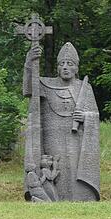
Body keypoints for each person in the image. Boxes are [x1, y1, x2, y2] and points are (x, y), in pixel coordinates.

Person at [23, 42, 100, 201]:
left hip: (76, 138)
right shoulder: (45, 84)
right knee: (55, 168)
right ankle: (51, 198)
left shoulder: (84, 88)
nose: (65, 67)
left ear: (76, 69)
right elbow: (30, 89)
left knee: (74, 167)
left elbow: (94, 114)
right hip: (52, 137)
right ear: (57, 68)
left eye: (70, 64)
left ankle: (80, 199)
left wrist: (86, 117)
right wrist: (30, 62)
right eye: (61, 64)